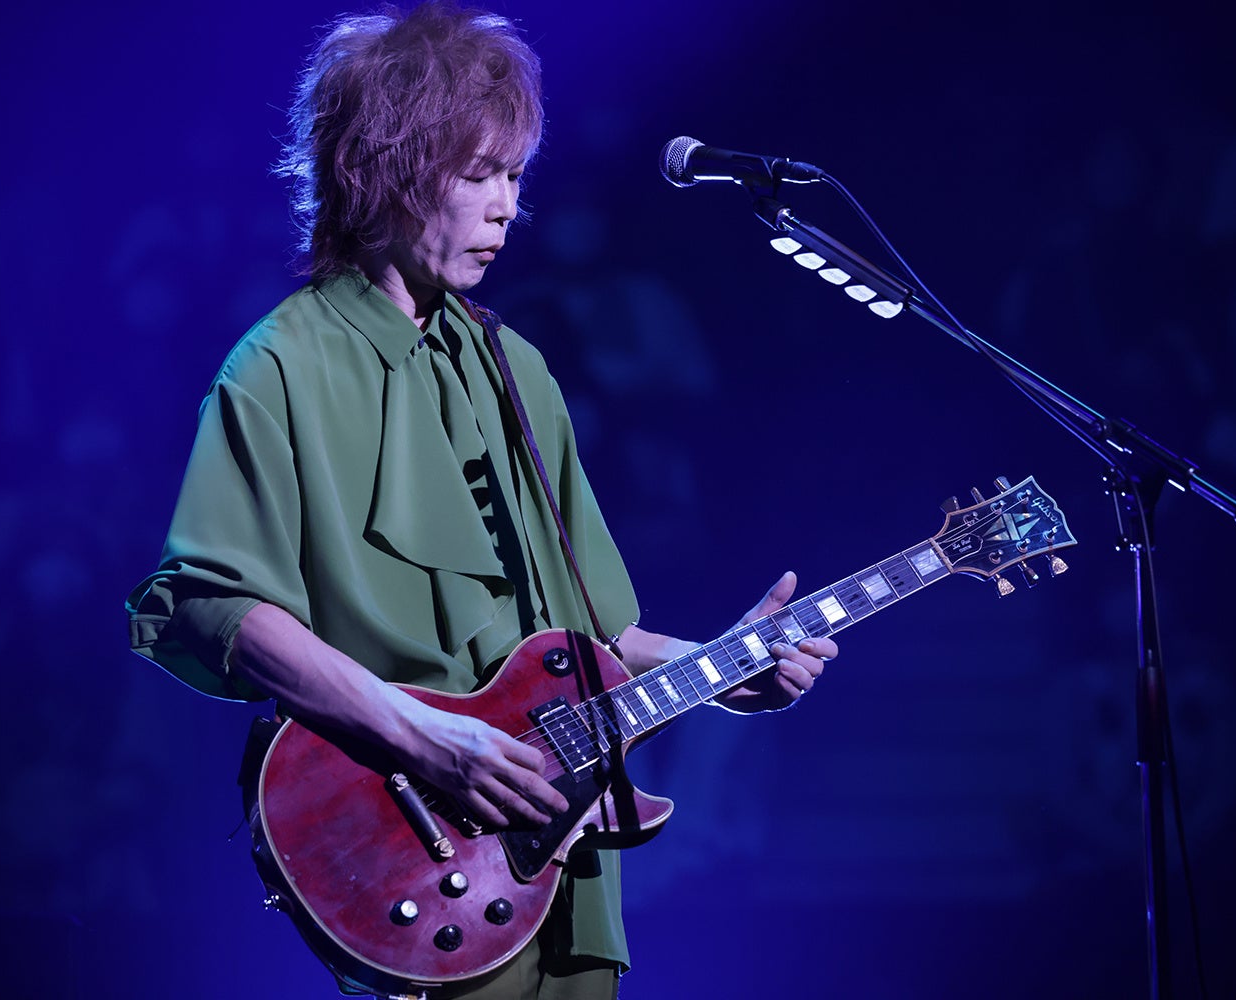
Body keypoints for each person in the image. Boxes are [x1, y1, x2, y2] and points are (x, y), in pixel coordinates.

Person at [125, 4, 836, 997]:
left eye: (514, 176)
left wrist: (723, 663)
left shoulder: (517, 369)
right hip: (416, 858)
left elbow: (589, 640)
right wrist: (430, 738)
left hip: (559, 852)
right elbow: (215, 606)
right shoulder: (281, 366)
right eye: (477, 175)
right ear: (380, 172)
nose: (507, 208)